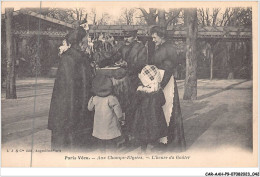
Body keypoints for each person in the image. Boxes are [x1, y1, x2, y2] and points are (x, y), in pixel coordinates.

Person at [48, 26, 93, 151]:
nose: (87, 43)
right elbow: (74, 88)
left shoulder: (74, 57)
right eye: (85, 40)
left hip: (71, 107)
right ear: (79, 42)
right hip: (70, 108)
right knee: (69, 139)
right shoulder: (73, 58)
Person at [150, 25, 186, 151]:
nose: (153, 40)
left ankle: (169, 143)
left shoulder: (169, 48)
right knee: (161, 110)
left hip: (166, 81)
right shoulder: (162, 47)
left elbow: (169, 68)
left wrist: (161, 83)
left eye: (154, 37)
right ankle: (163, 140)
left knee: (168, 110)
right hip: (160, 80)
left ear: (161, 36)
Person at [131, 65, 167, 153]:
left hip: (142, 117)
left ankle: (143, 150)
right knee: (155, 133)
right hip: (155, 117)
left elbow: (134, 104)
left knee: (142, 135)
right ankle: (152, 149)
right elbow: (163, 102)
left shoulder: (139, 91)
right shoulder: (158, 91)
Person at [88, 74, 123, 153]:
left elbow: (89, 108)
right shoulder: (111, 98)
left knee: (100, 139)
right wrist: (120, 118)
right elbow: (118, 110)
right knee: (111, 139)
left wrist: (91, 99)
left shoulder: (95, 98)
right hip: (110, 124)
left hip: (99, 124)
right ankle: (113, 152)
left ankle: (102, 153)